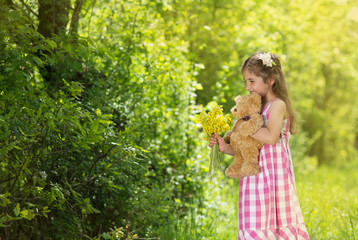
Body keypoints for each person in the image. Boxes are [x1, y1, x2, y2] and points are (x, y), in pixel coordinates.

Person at [209, 52, 310, 239]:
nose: (247, 87)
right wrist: (225, 147)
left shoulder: (277, 105)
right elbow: (249, 147)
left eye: (252, 81)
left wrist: (241, 125)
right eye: (245, 81)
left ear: (271, 79)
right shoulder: (255, 108)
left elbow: (271, 138)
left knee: (276, 223)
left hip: (274, 177)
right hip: (255, 177)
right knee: (255, 223)